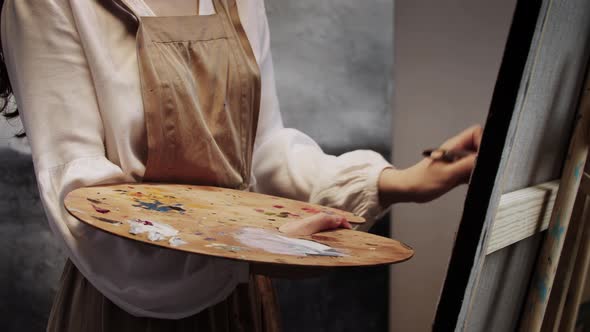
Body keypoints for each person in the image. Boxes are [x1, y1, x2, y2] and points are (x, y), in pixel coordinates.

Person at [0, 0, 482, 331]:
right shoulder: (48, 5)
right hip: (129, 307)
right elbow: (83, 198)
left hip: (242, 306)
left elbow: (264, 156)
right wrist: (249, 252)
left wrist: (396, 183)